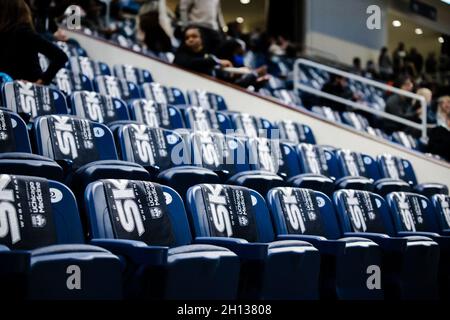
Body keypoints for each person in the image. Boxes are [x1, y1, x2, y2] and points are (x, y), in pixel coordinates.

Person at [0, 0, 68, 85]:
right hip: (6, 85)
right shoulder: (4, 32)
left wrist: (42, 81)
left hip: (28, 90)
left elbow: (60, 56)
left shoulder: (24, 33)